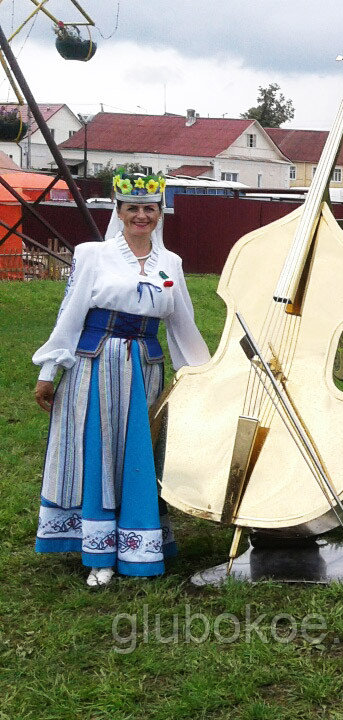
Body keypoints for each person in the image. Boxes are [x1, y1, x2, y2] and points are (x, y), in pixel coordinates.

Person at [32, 171, 210, 587]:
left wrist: (201, 375)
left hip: (145, 368)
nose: (142, 216)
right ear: (119, 211)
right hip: (96, 366)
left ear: (159, 213)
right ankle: (99, 554)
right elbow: (71, 313)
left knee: (138, 454)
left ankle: (137, 545)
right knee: (101, 452)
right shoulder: (93, 254)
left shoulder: (171, 263)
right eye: (133, 208)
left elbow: (182, 324)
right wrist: (49, 370)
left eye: (150, 208)